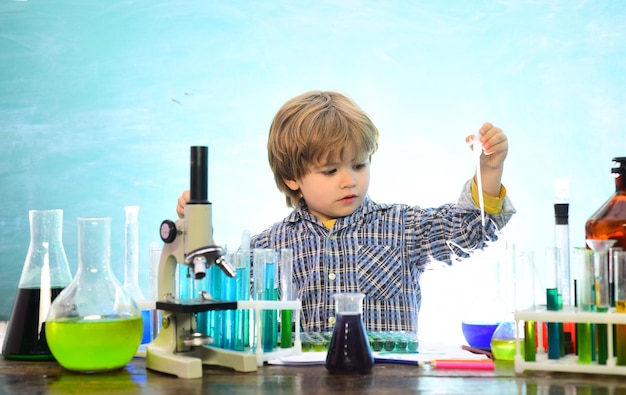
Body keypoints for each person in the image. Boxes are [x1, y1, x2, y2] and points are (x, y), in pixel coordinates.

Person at [177, 90, 515, 334]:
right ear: (292, 178)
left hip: (386, 383)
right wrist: (200, 236)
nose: (349, 180)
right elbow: (218, 300)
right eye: (330, 171)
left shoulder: (403, 227)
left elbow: (469, 233)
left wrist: (488, 171)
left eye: (359, 164)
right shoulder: (268, 247)